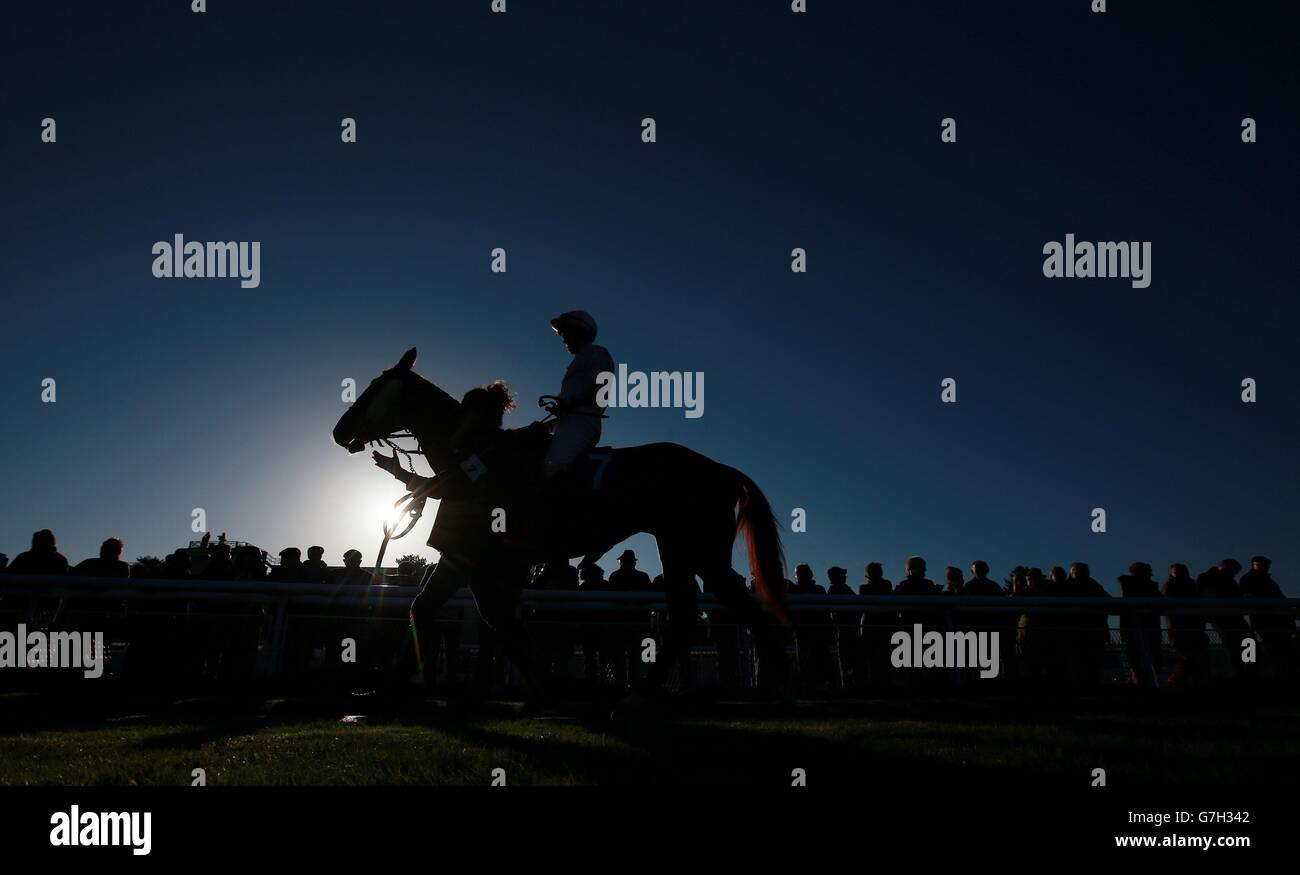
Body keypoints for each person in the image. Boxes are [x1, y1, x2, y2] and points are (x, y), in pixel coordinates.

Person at [544, 310, 615, 479]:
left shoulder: (597, 353)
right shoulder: (579, 360)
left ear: (579, 330)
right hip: (570, 425)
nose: (563, 338)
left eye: (565, 332)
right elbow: (568, 411)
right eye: (561, 333)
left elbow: (601, 392)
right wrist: (547, 427)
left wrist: (570, 402)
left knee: (552, 470)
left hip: (583, 424)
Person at [1239, 556, 1292, 680]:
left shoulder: (1265, 581)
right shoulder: (1250, 579)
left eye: (1266, 565)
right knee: (1274, 648)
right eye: (1262, 565)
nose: (1265, 567)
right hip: (1266, 619)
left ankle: (1279, 674)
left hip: (1273, 619)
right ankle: (1277, 675)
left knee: (1277, 648)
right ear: (1254, 565)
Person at [1117, 562, 1163, 686]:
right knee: (1141, 659)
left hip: (1136, 628)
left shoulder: (1129, 586)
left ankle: (1140, 683)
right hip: (1145, 627)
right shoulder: (1148, 588)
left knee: (1138, 660)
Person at [1163, 563, 1208, 685]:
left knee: (1191, 656)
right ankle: (1177, 681)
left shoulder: (1174, 585)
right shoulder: (1187, 585)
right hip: (1183, 627)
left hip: (1187, 626)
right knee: (1190, 656)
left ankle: (1179, 681)